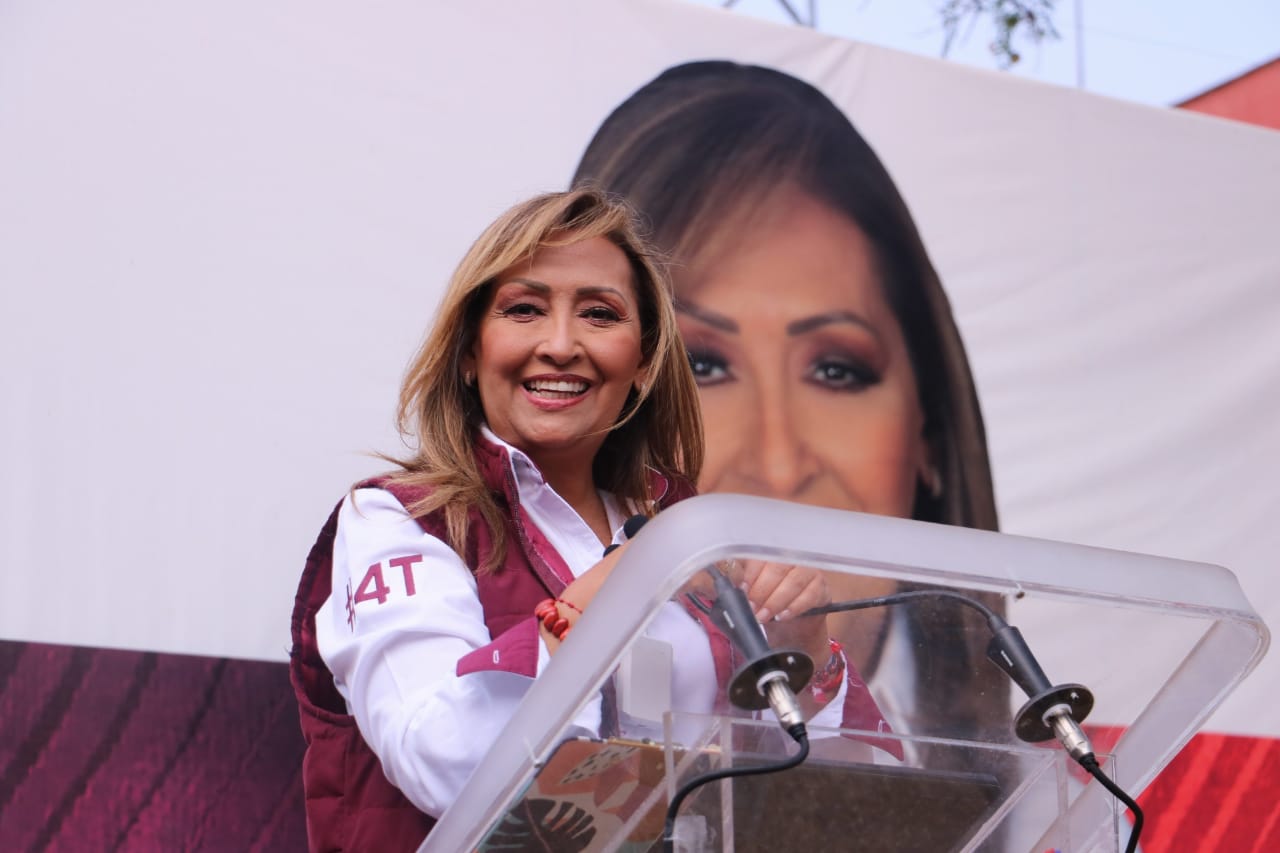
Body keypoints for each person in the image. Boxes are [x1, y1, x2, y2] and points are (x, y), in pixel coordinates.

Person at [289, 188, 887, 851]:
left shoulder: (698, 535)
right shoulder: (399, 519)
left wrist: (804, 651)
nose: (561, 344)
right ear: (468, 353)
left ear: (643, 362)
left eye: (600, 314)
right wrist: (623, 582)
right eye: (524, 309)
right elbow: (443, 760)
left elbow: (857, 807)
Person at [572, 60, 1009, 743]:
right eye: (700, 365)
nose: (778, 465)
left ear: (929, 432)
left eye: (836, 370)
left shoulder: (1076, 790)